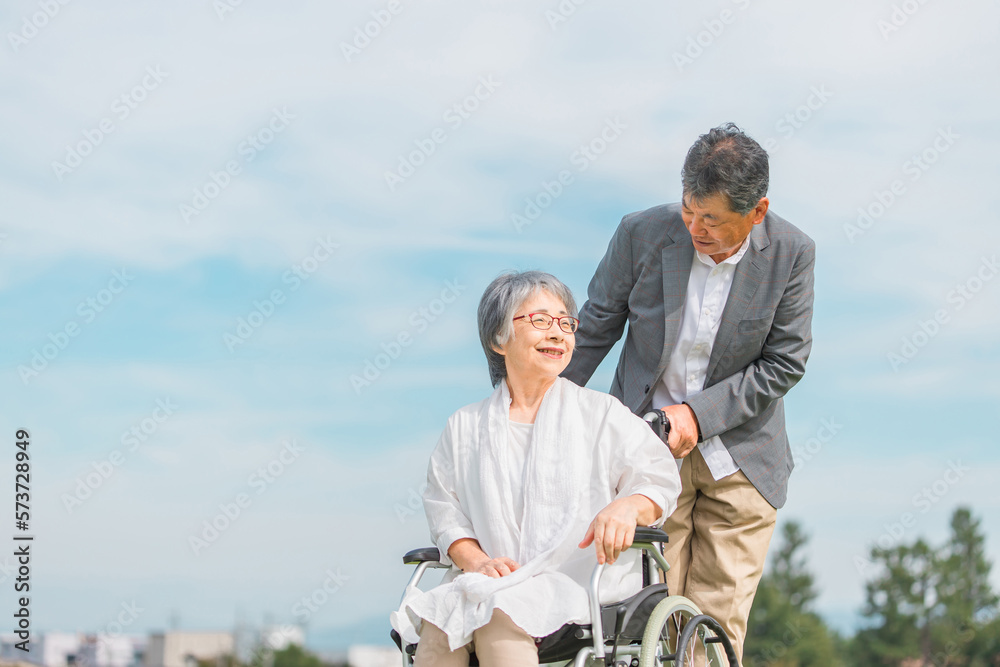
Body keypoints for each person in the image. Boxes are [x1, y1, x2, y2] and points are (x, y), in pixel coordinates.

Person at [562, 123, 816, 662]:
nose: (695, 228)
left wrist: (696, 417)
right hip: (646, 455)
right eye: (689, 211)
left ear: (758, 210)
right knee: (648, 617)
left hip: (743, 461)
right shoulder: (641, 233)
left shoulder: (793, 254)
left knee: (715, 629)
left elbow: (784, 363)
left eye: (713, 220)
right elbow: (597, 325)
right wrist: (536, 406)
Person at [391, 270, 682, 667]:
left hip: (578, 580)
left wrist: (628, 507)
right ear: (498, 339)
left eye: (566, 323)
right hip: (490, 580)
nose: (558, 333)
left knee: (498, 615)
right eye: (540, 321)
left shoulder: (601, 414)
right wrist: (477, 562)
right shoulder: (465, 427)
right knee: (441, 621)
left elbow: (659, 478)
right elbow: (445, 513)